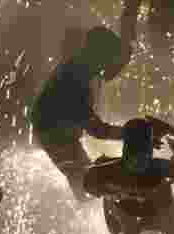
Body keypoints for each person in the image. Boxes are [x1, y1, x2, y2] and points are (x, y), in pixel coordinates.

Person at [30, 26, 128, 202]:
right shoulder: (75, 79)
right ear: (100, 55)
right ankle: (80, 216)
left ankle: (86, 208)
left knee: (89, 183)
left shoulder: (82, 67)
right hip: (52, 132)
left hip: (56, 128)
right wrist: (132, 134)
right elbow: (97, 130)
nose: (114, 66)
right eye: (111, 59)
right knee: (88, 187)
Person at [83, 117, 174, 234]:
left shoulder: (158, 168)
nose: (138, 163)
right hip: (128, 215)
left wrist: (172, 132)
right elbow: (88, 182)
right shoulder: (108, 170)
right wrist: (171, 131)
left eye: (142, 155)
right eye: (135, 154)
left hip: (156, 211)